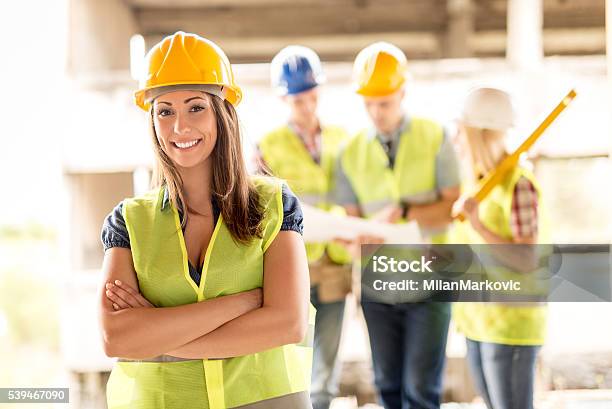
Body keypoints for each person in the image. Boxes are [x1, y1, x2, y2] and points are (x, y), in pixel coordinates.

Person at [98, 31, 314, 409]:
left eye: (195, 107)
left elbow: (287, 324)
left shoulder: (274, 205)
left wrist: (158, 333)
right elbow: (116, 339)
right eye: (165, 110)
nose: (180, 127)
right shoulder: (128, 222)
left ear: (223, 111)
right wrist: (244, 303)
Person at [333, 42, 460, 409]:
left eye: (384, 102)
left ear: (403, 92)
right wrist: (351, 238)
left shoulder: (435, 136)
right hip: (378, 286)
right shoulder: (349, 151)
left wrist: (405, 211)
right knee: (387, 387)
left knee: (421, 391)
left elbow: (451, 209)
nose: (376, 111)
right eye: (369, 103)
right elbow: (350, 222)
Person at [256, 45, 352, 409]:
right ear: (284, 98)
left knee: (327, 360)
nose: (307, 105)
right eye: (298, 100)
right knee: (293, 356)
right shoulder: (269, 145)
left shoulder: (343, 139)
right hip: (291, 263)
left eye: (311, 95)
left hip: (335, 259)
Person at [452, 87, 549, 409]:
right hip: (480, 320)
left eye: (461, 131)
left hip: (511, 325)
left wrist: (479, 225)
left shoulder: (518, 185)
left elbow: (525, 258)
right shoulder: (478, 183)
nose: (456, 139)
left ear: (479, 134)